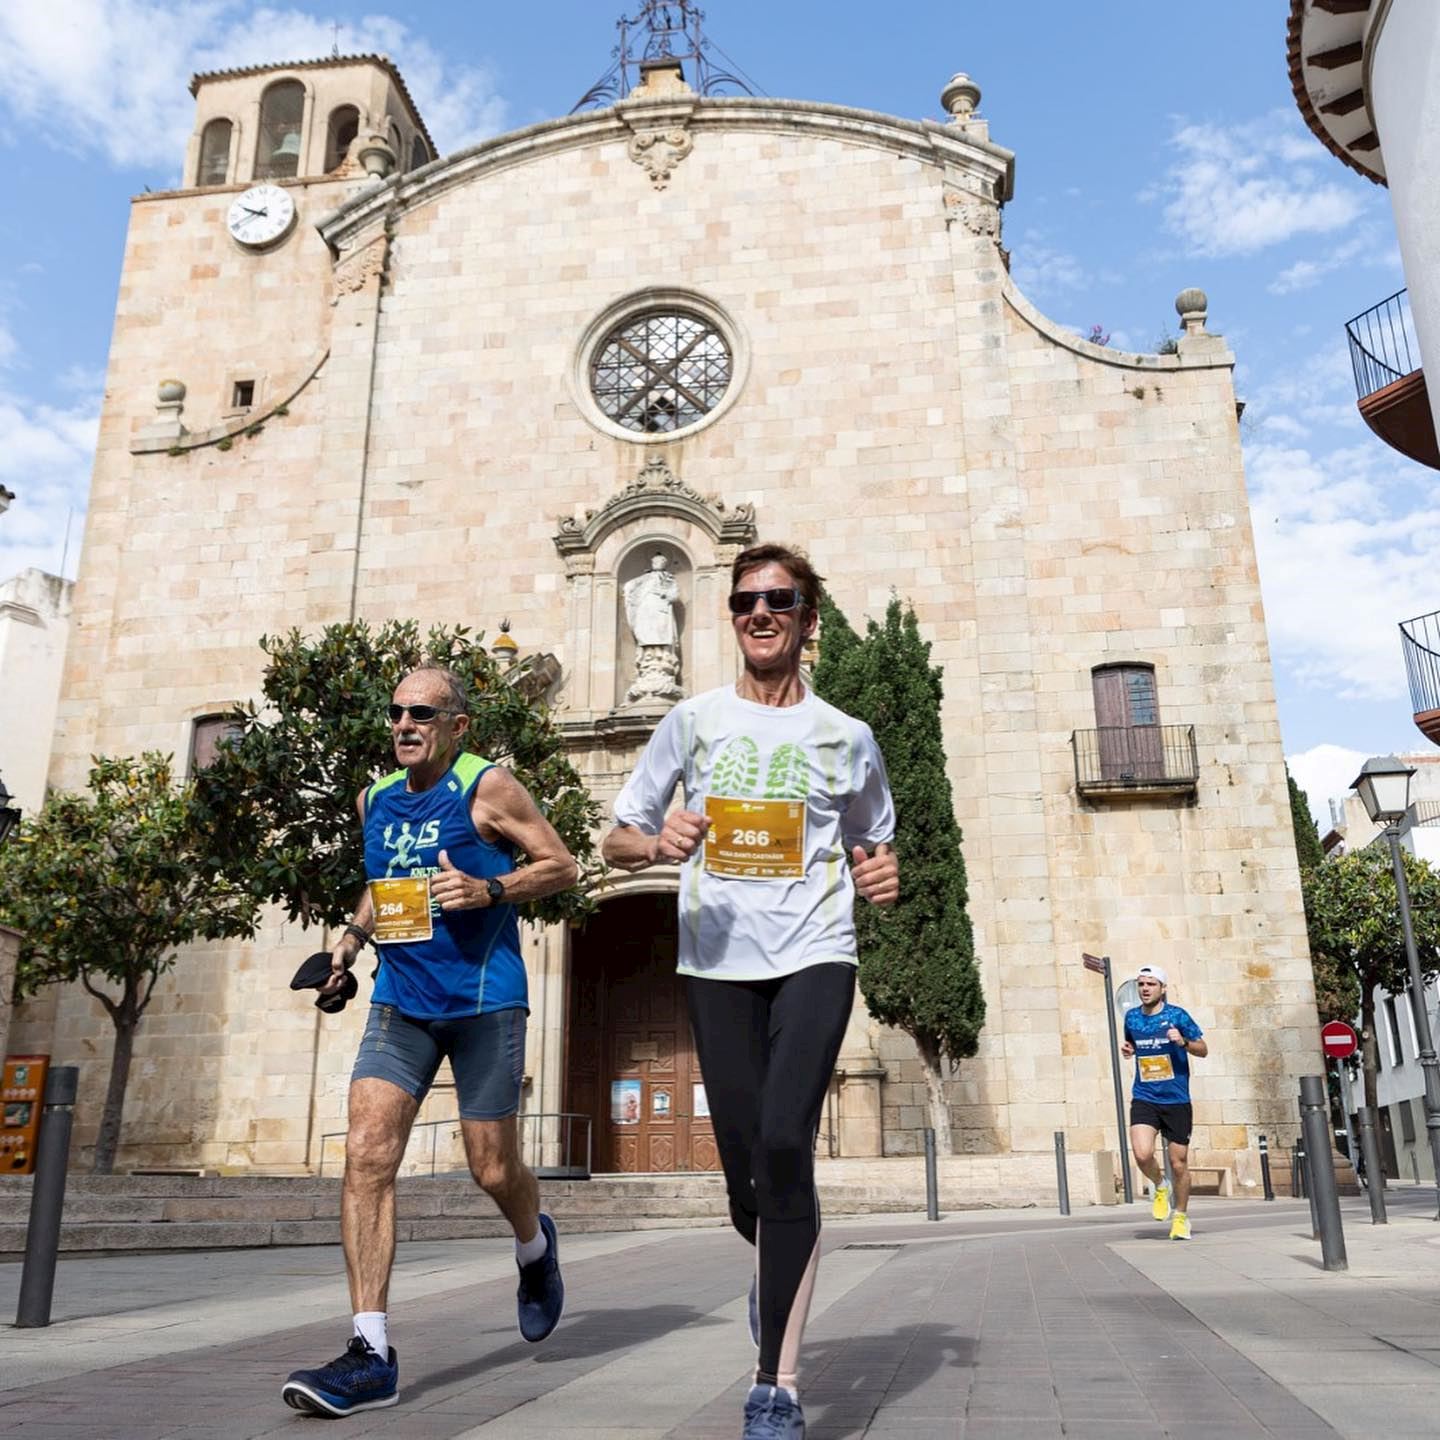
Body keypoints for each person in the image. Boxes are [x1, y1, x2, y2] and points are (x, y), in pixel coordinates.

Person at [602, 542, 899, 1439]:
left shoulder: (849, 737)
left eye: (780, 600)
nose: (760, 613)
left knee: (784, 1141)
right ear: (730, 617)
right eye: (745, 602)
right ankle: (771, 1269)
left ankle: (777, 1380)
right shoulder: (691, 722)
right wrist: (655, 845)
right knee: (747, 1179)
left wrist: (882, 877)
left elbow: (875, 844)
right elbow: (617, 839)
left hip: (816, 951)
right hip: (717, 963)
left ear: (808, 619)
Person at [281, 666, 579, 1418]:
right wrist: (348, 947)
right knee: (366, 1153)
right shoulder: (374, 799)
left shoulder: (490, 789)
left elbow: (562, 865)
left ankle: (533, 1247)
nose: (405, 724)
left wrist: (491, 890)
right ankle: (370, 1352)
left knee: (490, 1166)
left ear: (458, 726)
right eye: (396, 712)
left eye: (423, 713)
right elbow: (387, 886)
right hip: (401, 1003)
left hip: (483, 1004)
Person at [1120, 963, 1207, 1240]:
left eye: (1151, 984)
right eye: (1141, 984)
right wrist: (1128, 1048)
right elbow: (1132, 1044)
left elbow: (1203, 1049)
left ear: (1163, 988)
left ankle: (1180, 1217)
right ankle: (1160, 1185)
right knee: (1142, 1153)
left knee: (1178, 1162)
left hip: (1176, 1100)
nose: (1145, 989)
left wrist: (1183, 1042)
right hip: (1145, 1096)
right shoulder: (1132, 1018)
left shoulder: (1177, 1016)